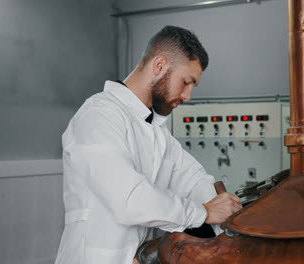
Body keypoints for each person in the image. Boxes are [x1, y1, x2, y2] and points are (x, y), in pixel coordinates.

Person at [55, 25, 242, 264]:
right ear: (160, 66)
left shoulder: (155, 131)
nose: (188, 96)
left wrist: (226, 212)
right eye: (186, 82)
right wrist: (203, 213)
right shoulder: (98, 116)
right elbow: (130, 199)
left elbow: (191, 178)